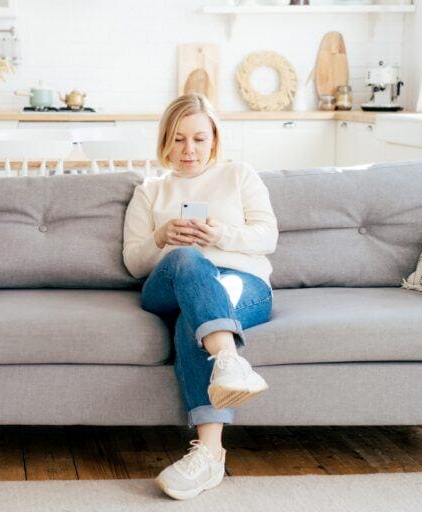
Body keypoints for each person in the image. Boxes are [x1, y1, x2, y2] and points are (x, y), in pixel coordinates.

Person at [123, 94, 278, 500]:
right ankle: (229, 362)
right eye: (177, 139)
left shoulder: (239, 175)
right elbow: (134, 263)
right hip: (170, 283)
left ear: (214, 140)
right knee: (188, 257)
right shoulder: (150, 191)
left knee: (195, 320)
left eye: (198, 139)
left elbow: (268, 236)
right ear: (164, 141)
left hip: (240, 282)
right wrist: (161, 238)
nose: (188, 150)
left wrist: (221, 234)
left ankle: (209, 454)